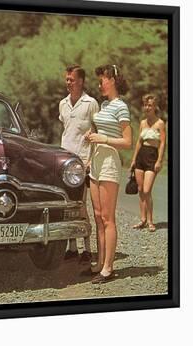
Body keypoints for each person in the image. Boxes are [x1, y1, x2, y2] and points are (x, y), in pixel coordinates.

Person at [85, 64, 132, 283]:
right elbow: (100, 131)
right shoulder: (104, 105)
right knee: (97, 215)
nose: (99, 84)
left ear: (112, 79)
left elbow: (127, 141)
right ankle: (100, 262)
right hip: (95, 160)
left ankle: (109, 268)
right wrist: (92, 137)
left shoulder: (121, 107)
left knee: (107, 217)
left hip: (110, 162)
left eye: (102, 79)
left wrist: (103, 139)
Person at [58, 65, 99, 264]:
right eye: (67, 79)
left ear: (81, 81)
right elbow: (67, 130)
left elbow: (97, 132)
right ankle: (71, 247)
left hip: (81, 163)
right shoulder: (63, 104)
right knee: (67, 205)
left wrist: (91, 160)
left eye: (71, 79)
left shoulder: (91, 103)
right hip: (64, 162)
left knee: (81, 205)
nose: (68, 82)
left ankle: (88, 249)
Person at [130, 94, 166, 232]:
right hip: (141, 156)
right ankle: (142, 219)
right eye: (145, 105)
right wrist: (133, 159)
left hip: (152, 156)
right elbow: (139, 142)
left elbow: (163, 143)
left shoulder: (160, 123)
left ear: (155, 106)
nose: (147, 107)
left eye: (150, 105)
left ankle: (151, 221)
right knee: (140, 190)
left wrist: (159, 160)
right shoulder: (143, 123)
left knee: (147, 190)